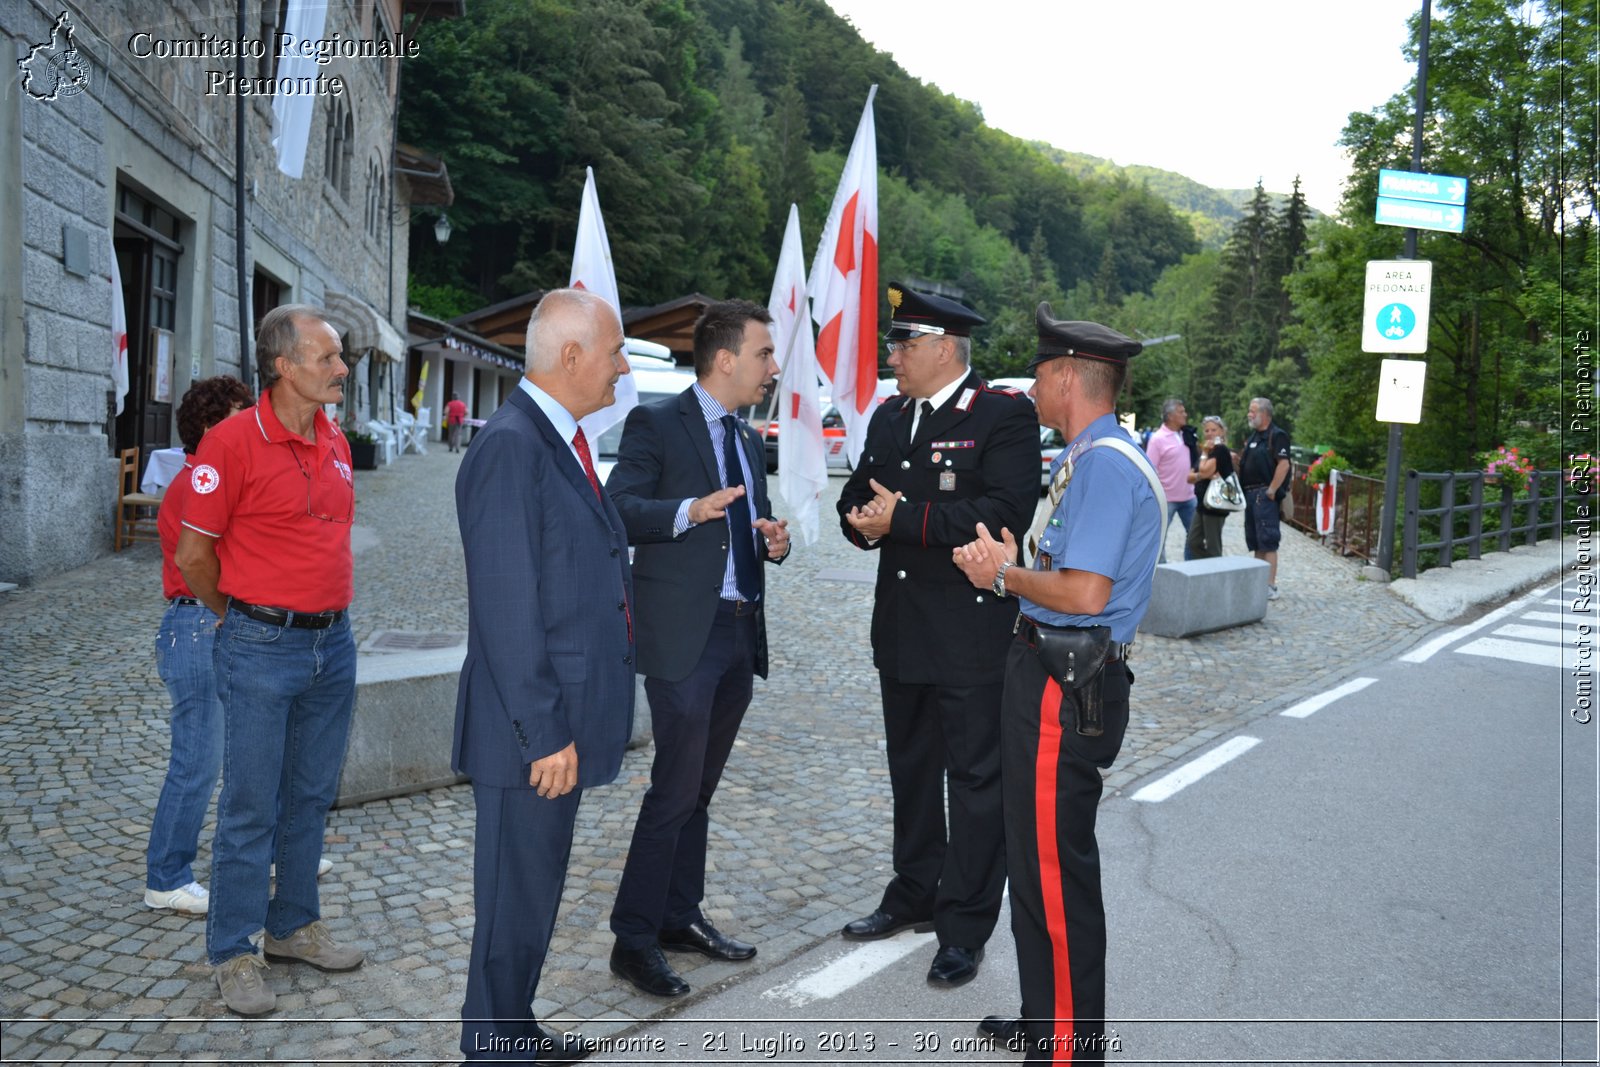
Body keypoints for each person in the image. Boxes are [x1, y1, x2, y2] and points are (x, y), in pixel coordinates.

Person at [952, 304, 1163, 1063]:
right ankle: (1048, 1017)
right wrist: (1019, 562)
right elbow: (1068, 574)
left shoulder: (1103, 463)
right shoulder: (1093, 454)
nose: (1033, 389)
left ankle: (1068, 1044)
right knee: (1031, 859)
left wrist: (1002, 573)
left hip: (1063, 679)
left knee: (1051, 870)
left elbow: (1085, 593)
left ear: (1069, 375)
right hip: (1049, 670)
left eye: (1040, 374)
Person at [836, 282, 1038, 989]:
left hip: (970, 633)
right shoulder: (891, 416)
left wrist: (906, 520)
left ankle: (964, 924)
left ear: (945, 348)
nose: (893, 354)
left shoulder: (1002, 416)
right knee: (912, 771)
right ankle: (915, 888)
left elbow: (1006, 510)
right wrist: (860, 523)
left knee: (976, 780)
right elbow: (858, 495)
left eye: (904, 343)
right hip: (902, 630)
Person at [453, 288, 636, 1063]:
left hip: (549, 722)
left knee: (532, 894)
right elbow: (505, 604)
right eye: (616, 352)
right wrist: (545, 730)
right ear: (571, 357)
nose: (623, 368)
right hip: (527, 729)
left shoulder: (553, 437)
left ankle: (513, 1026)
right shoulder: (512, 443)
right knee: (510, 898)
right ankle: (493, 1046)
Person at [176, 306, 362, 1016]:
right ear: (283, 365)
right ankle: (233, 949)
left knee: (310, 795)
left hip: (332, 644)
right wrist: (246, 620)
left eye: (340, 357)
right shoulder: (229, 443)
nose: (341, 368)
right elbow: (194, 557)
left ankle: (292, 925)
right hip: (259, 644)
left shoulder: (336, 436)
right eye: (327, 358)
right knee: (251, 804)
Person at [605, 299, 791, 998]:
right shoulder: (656, 422)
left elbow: (740, 533)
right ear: (725, 359)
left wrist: (772, 541)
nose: (772, 367)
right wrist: (690, 510)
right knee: (674, 789)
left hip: (739, 634)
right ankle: (632, 936)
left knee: (699, 792)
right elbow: (618, 507)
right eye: (764, 354)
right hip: (685, 638)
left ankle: (679, 914)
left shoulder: (745, 438)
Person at [144, 375, 253, 916]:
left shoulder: (214, 479)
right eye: (237, 416)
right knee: (197, 761)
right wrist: (229, 613)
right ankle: (166, 876)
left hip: (209, 623)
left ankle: (263, 855)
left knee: (250, 751)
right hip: (197, 626)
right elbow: (198, 562)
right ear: (209, 428)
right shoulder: (198, 483)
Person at [1240, 396, 1291, 599]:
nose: (1249, 414)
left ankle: (1270, 585)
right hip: (1251, 494)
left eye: (1253, 411)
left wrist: (1272, 490)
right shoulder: (1254, 436)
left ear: (1265, 414)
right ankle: (1259, 583)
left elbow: (1284, 464)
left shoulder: (1277, 435)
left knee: (1268, 541)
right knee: (1256, 541)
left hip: (1264, 494)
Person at [1146, 397, 1195, 562]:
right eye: (1181, 412)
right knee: (1159, 540)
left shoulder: (1186, 434)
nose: (1185, 414)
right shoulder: (1157, 439)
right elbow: (1149, 469)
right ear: (1171, 415)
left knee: (1195, 537)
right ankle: (1162, 573)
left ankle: (1192, 569)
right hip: (1166, 499)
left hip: (1189, 496)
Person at [1187, 415, 1236, 560]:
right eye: (1207, 430)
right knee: (1193, 541)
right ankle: (1209, 568)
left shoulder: (1219, 450)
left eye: (1213, 430)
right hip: (1202, 504)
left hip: (1216, 504)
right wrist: (1203, 474)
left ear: (1221, 431)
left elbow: (1201, 471)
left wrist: (1204, 457)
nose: (1209, 433)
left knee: (1213, 546)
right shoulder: (1209, 450)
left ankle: (1215, 575)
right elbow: (1189, 477)